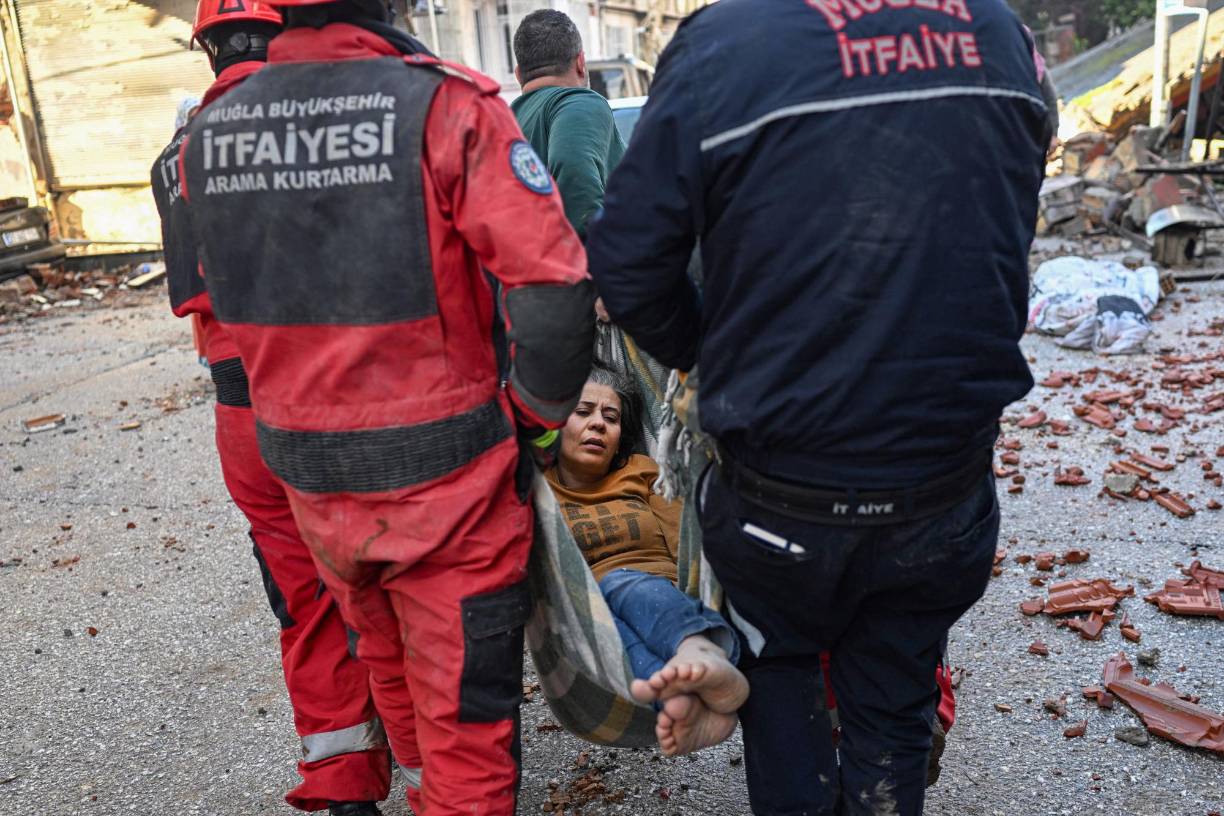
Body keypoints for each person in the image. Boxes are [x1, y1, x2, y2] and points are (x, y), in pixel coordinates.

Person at [585, 0, 1050, 813]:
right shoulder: (999, 35)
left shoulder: (725, 43)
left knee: (784, 694)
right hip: (941, 494)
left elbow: (625, 263)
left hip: (781, 501)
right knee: (893, 717)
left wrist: (709, 353)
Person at [178, 0, 596, 813]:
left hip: (307, 483)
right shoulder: (444, 105)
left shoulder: (212, 131)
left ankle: (418, 786)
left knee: (391, 673)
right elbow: (550, 289)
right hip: (447, 489)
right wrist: (535, 420)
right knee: (466, 732)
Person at [149, 3, 392, 813]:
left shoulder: (178, 151)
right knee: (394, 586)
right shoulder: (318, 123)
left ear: (208, 45)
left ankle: (343, 782)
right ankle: (442, 773)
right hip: (339, 393)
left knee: (302, 597)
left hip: (241, 415)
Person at [544, 364, 747, 756]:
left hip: (667, 600)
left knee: (618, 584)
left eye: (611, 417)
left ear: (622, 438)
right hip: (593, 620)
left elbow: (686, 546)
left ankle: (700, 647)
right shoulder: (537, 491)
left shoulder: (643, 472)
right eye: (583, 412)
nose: (598, 424)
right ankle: (684, 702)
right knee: (604, 615)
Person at [511, 9, 625, 240]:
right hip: (588, 270)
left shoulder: (506, 120)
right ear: (581, 62)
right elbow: (573, 166)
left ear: (518, 74)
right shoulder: (577, 102)